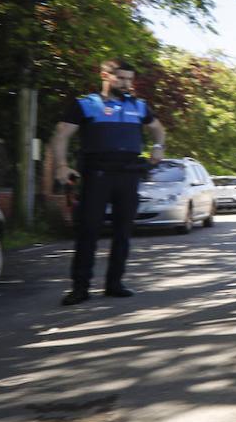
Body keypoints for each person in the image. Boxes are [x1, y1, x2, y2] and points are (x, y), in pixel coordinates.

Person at [50, 59, 166, 305]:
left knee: (123, 232)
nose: (127, 84)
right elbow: (61, 135)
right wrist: (61, 165)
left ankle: (114, 284)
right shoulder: (86, 105)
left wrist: (158, 147)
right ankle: (80, 288)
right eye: (121, 78)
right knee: (88, 231)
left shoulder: (139, 107)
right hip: (96, 175)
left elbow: (158, 130)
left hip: (129, 175)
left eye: (130, 79)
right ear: (105, 75)